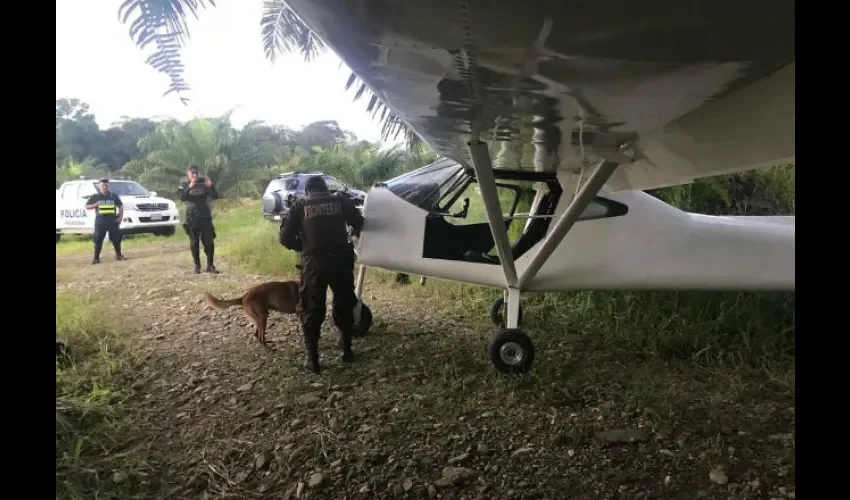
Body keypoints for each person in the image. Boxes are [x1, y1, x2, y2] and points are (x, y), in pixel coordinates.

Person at [279, 176, 364, 374]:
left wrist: (303, 246)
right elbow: (357, 221)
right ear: (325, 189)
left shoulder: (299, 205)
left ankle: (313, 359)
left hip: (314, 262)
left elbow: (285, 238)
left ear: (307, 191)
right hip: (341, 259)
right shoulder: (340, 200)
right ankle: (346, 349)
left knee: (311, 306)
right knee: (344, 301)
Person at [178, 165, 220, 274]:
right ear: (188, 174)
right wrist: (190, 187)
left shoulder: (204, 183)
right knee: (194, 243)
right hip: (192, 218)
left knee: (209, 242)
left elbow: (215, 196)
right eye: (192, 173)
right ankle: (197, 266)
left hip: (205, 216)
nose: (195, 175)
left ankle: (210, 265)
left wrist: (211, 186)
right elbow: (182, 198)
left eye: (196, 173)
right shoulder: (184, 185)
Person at [85, 179, 125, 264]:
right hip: (100, 221)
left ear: (108, 186)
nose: (104, 187)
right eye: (102, 185)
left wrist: (120, 218)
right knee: (98, 239)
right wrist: (96, 204)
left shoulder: (113, 196)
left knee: (116, 238)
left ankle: (119, 255)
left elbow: (120, 207)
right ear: (99, 187)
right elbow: (87, 206)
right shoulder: (95, 196)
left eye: (106, 185)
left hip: (112, 220)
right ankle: (96, 258)